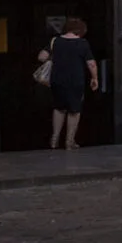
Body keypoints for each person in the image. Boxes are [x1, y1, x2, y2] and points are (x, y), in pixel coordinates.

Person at [39, 18, 98, 149]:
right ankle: (69, 141)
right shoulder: (82, 43)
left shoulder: (55, 41)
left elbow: (41, 57)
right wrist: (95, 78)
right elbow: (91, 63)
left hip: (57, 79)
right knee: (74, 110)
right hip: (75, 80)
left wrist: (55, 57)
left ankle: (55, 138)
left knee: (59, 108)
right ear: (81, 30)